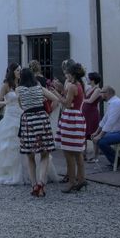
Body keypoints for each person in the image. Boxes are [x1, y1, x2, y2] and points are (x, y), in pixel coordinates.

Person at [17, 68, 60, 197]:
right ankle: (41, 183)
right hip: (41, 118)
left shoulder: (19, 90)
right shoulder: (39, 87)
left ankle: (34, 185)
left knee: (30, 156)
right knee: (44, 154)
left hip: (28, 120)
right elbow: (55, 99)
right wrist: (49, 111)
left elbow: (21, 106)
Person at [53, 61, 87, 192]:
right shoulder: (80, 85)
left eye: (67, 73)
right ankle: (81, 179)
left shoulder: (73, 86)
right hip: (77, 117)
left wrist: (56, 93)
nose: (66, 75)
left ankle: (72, 182)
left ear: (72, 74)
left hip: (70, 118)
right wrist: (62, 90)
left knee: (68, 153)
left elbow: (66, 104)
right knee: (78, 152)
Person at [91, 86, 120, 169]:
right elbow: (105, 120)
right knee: (99, 139)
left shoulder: (116, 103)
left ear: (107, 93)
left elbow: (110, 122)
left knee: (101, 141)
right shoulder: (113, 102)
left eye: (101, 92)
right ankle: (115, 160)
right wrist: (96, 132)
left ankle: (116, 161)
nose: (100, 94)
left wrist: (100, 136)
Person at [82, 72, 102, 162]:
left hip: (92, 115)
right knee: (84, 134)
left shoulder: (97, 89)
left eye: (88, 78)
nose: (87, 79)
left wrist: (82, 100)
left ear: (93, 80)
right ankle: (83, 155)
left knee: (93, 135)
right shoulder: (89, 89)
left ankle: (96, 156)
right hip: (85, 114)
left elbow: (90, 101)